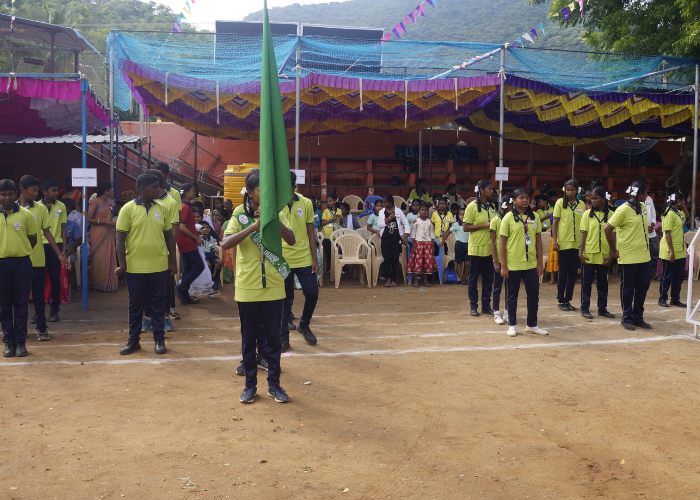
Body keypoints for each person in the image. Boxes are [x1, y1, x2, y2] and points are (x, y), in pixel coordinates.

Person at [221, 169, 296, 404]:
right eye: (260, 189)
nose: (265, 193)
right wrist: (253, 227)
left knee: (274, 339)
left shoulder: (277, 211)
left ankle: (274, 385)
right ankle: (250, 386)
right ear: (250, 192)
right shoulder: (238, 214)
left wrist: (272, 220)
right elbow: (225, 243)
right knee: (249, 339)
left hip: (274, 285)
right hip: (247, 286)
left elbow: (291, 239)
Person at [116, 173, 178, 356]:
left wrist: (173, 263)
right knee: (136, 304)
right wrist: (122, 265)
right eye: (154, 187)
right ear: (143, 189)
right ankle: (133, 341)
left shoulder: (162, 209)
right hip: (135, 267)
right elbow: (120, 239)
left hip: (159, 266)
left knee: (158, 304)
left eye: (159, 186)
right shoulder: (127, 209)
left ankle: (159, 340)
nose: (159, 190)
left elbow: (169, 236)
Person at [18, 175, 66, 341]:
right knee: (20, 296)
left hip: (37, 258)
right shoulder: (12, 209)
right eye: (33, 190)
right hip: (19, 260)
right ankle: (20, 329)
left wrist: (59, 253)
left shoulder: (40, 209)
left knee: (38, 294)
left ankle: (41, 326)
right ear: (22, 190)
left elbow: (47, 232)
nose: (35, 193)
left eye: (36, 190)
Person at [499, 188, 547, 337]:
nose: (525, 200)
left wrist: (540, 263)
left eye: (527, 197)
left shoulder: (535, 216)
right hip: (513, 264)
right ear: (514, 201)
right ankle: (512, 325)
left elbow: (538, 242)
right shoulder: (508, 218)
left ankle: (532, 325)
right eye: (521, 198)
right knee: (512, 296)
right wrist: (503, 266)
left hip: (531, 264)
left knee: (533, 294)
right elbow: (502, 243)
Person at [605, 180, 652, 331]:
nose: (647, 195)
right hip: (629, 256)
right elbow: (607, 228)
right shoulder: (623, 210)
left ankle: (638, 317)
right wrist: (614, 249)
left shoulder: (642, 207)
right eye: (646, 192)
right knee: (628, 287)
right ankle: (627, 317)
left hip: (644, 255)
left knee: (643, 286)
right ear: (640, 193)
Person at [280, 171, 319, 353]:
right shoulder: (275, 203)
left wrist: (314, 258)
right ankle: (284, 338)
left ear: (294, 187)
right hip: (283, 259)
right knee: (284, 300)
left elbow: (311, 232)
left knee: (312, 293)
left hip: (304, 257)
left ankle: (304, 324)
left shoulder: (306, 203)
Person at [140, 169, 181, 332]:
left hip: (163, 253)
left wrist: (171, 252)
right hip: (144, 254)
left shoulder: (170, 203)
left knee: (165, 287)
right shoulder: (139, 203)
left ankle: (165, 317)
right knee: (145, 288)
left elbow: (174, 229)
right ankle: (148, 317)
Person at [0, 179, 38, 357]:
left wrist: (19, 250)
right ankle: (9, 342)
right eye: (3, 194)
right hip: (1, 264)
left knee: (21, 303)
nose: (7, 197)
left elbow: (33, 240)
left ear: (16, 194)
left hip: (22, 263)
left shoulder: (26, 215)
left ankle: (21, 342)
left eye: (10, 194)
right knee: (4, 304)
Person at [579, 187, 616, 320]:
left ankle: (602, 309)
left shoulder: (611, 214)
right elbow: (583, 234)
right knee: (586, 283)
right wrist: (580, 253)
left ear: (603, 199)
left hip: (604, 255)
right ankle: (585, 309)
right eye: (591, 198)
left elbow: (614, 235)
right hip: (589, 254)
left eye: (596, 198)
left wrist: (612, 254)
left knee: (603, 283)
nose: (593, 201)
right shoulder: (586, 214)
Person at [463, 179, 496, 316]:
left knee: (488, 278)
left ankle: (486, 305)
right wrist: (484, 225)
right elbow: (465, 227)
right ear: (481, 190)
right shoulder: (471, 206)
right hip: (476, 248)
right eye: (489, 189)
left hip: (489, 248)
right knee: (473, 278)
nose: (492, 191)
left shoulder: (491, 206)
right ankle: (473, 305)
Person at [552, 180, 585, 311]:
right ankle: (561, 299)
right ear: (564, 190)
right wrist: (555, 241)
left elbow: (584, 224)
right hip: (563, 244)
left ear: (577, 191)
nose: (570, 192)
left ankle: (568, 299)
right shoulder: (560, 203)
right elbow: (555, 223)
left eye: (572, 190)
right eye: (568, 190)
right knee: (563, 272)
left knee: (573, 273)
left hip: (577, 244)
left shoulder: (581, 204)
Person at [40, 178, 68, 322]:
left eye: (57, 190)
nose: (57, 193)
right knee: (38, 280)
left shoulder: (61, 206)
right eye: (53, 190)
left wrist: (65, 247)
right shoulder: (37, 207)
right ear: (45, 192)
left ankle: (54, 310)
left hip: (56, 246)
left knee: (55, 278)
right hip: (40, 246)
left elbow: (63, 228)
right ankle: (39, 312)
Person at [86, 181, 118, 292]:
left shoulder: (109, 202)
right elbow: (89, 219)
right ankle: (97, 283)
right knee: (99, 257)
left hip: (108, 231)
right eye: (110, 189)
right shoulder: (95, 202)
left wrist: (112, 222)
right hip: (98, 232)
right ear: (106, 190)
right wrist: (104, 222)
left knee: (108, 255)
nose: (112, 191)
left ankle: (108, 283)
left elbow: (110, 216)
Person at [176, 183, 205, 305]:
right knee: (199, 265)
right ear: (187, 193)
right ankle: (181, 287)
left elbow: (185, 226)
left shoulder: (185, 206)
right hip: (187, 242)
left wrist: (195, 232)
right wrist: (196, 238)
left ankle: (184, 296)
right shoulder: (185, 207)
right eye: (193, 191)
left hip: (185, 240)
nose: (195, 193)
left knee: (187, 267)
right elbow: (182, 227)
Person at [658, 191, 687, 308]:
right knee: (667, 276)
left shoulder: (678, 212)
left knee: (678, 277)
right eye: (683, 200)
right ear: (678, 201)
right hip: (671, 250)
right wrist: (671, 251)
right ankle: (662, 298)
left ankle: (675, 299)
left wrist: (682, 205)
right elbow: (667, 233)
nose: (685, 202)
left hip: (680, 250)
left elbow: (687, 215)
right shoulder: (669, 213)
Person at [378, 193, 410, 287]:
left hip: (396, 238)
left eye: (385, 202)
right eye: (383, 202)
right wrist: (388, 219)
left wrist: (406, 236)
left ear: (390, 202)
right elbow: (379, 225)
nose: (383, 204)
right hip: (386, 238)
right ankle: (388, 278)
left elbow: (406, 223)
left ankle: (394, 279)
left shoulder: (398, 211)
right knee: (387, 259)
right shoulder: (381, 212)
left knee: (395, 259)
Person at [490, 194, 512, 325]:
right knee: (497, 286)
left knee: (510, 287)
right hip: (499, 259)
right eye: (511, 205)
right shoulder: (495, 221)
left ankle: (507, 312)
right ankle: (496, 312)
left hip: (511, 259)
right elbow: (493, 242)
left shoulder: (513, 219)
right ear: (505, 206)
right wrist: (495, 261)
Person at [408, 202, 437, 286]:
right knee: (418, 262)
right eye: (422, 210)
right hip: (418, 243)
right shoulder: (416, 221)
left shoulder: (430, 222)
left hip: (428, 244)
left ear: (428, 212)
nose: (423, 212)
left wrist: (432, 246)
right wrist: (413, 246)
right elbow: (413, 234)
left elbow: (432, 235)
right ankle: (416, 280)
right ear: (419, 211)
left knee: (427, 262)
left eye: (425, 210)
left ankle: (425, 280)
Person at [441, 206, 469, 285]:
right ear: (458, 216)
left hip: (467, 244)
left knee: (467, 263)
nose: (462, 216)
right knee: (459, 262)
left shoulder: (469, 224)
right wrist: (442, 241)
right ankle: (460, 278)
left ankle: (466, 277)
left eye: (464, 214)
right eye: (460, 215)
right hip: (459, 245)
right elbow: (448, 232)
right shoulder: (456, 225)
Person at [641, 179, 659, 280]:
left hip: (651, 232)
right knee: (643, 253)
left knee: (654, 253)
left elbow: (653, 214)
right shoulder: (636, 200)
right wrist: (645, 227)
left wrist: (652, 225)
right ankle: (644, 274)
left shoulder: (649, 199)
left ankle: (652, 273)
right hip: (641, 232)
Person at [320, 195, 341, 274]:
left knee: (336, 252)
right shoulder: (325, 211)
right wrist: (332, 219)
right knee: (328, 253)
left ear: (335, 201)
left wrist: (341, 218)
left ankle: (337, 268)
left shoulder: (339, 210)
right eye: (327, 201)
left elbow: (340, 222)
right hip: (327, 235)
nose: (329, 203)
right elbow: (322, 223)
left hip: (337, 234)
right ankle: (329, 268)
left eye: (330, 201)